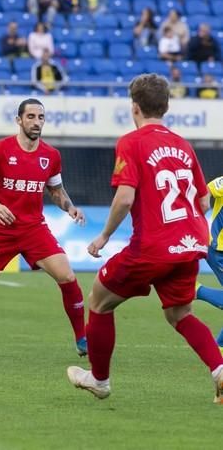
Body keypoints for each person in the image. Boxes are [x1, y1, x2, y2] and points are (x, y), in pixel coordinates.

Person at [67, 74, 223, 403]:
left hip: (153, 245)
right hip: (191, 244)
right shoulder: (183, 144)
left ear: (134, 107)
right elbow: (204, 201)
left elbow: (124, 198)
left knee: (98, 301)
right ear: (165, 107)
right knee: (180, 315)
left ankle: (99, 380)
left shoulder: (131, 141)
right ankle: (220, 370)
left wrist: (105, 236)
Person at [0, 98, 88, 361]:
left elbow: (55, 190)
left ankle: (82, 339)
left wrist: (69, 207)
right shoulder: (0, 149)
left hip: (33, 229)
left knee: (67, 276)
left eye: (41, 117)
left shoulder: (51, 156)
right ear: (19, 120)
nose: (36, 122)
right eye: (31, 117)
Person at [195, 175, 223, 353]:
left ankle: (219, 347)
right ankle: (195, 290)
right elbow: (206, 192)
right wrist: (193, 221)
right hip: (219, 249)